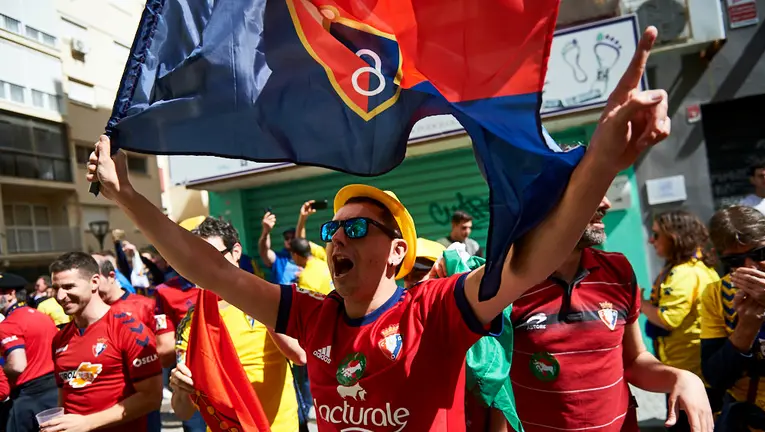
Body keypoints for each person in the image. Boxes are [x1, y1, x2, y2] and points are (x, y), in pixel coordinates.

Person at [87, 26, 672, 430]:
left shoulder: (436, 311)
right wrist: (129, 198)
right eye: (333, 230)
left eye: (356, 230)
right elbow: (210, 270)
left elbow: (527, 264)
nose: (336, 238)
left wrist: (599, 161)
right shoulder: (312, 316)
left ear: (396, 252)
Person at [471, 198, 712, 431]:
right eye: (592, 185)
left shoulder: (618, 270)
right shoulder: (503, 282)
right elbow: (494, 384)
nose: (605, 203)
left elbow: (634, 360)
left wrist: (681, 377)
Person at [169, 217, 304, 431]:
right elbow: (183, 411)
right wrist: (180, 388)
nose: (205, 268)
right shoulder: (191, 323)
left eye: (213, 257)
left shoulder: (269, 299)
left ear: (236, 252)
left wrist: (261, 305)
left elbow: (300, 356)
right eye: (197, 260)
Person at [43, 252, 162, 432]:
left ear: (95, 282)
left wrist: (88, 423)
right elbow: (66, 395)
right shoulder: (60, 338)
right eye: (55, 288)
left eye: (69, 287)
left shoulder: (128, 329)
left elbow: (151, 397)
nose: (60, 296)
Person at [641, 210, 721, 429]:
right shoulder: (690, 268)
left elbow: (668, 320)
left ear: (674, 236)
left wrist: (640, 304)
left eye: (656, 235)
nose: (651, 240)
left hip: (691, 374)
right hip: (690, 372)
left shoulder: (685, 273)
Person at [701, 206, 765, 430]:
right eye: (735, 261)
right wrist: (745, 329)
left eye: (760, 254)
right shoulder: (717, 294)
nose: (751, 267)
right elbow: (716, 377)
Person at [0, 273, 58, 432]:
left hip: (29, 397)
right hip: (55, 391)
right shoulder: (41, 316)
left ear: (11, 294)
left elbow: (18, 365)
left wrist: (1, 371)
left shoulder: (9, 324)